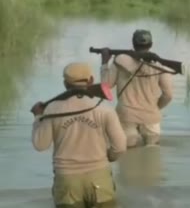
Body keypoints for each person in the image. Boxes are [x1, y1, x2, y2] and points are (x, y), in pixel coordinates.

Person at [30, 62, 127, 208]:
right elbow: (120, 147)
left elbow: (40, 145)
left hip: (67, 180)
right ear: (91, 80)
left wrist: (38, 117)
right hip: (99, 177)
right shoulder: (104, 108)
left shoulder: (52, 109)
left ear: (65, 84)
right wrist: (106, 157)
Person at [100, 29, 174, 148]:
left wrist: (104, 63)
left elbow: (105, 86)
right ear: (151, 44)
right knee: (153, 156)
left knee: (127, 155)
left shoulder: (119, 62)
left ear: (133, 44)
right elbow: (168, 95)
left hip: (126, 116)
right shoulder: (160, 65)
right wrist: (155, 108)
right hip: (151, 116)